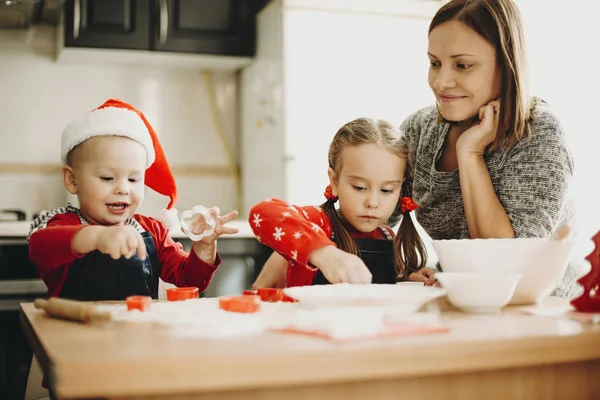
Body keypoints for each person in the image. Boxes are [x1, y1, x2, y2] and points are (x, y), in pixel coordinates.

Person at [253, 0, 579, 297]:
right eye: (435, 63)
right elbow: (366, 216)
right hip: (459, 305)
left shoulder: (538, 133)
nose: (441, 82)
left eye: (462, 65)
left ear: (506, 65)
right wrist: (300, 248)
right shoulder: (420, 130)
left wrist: (470, 155)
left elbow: (504, 262)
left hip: (540, 312)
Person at [28, 98, 239, 300]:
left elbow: (190, 280)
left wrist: (202, 247)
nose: (123, 189)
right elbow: (39, 247)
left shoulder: (152, 231)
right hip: (76, 333)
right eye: (107, 178)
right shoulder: (64, 224)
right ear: (72, 179)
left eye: (134, 179)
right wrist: (95, 237)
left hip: (137, 334)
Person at [248, 118, 434, 286]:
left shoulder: (387, 236)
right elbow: (263, 212)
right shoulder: (318, 222)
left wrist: (408, 280)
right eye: (360, 187)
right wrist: (324, 253)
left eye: (386, 190)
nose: (372, 202)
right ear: (334, 181)